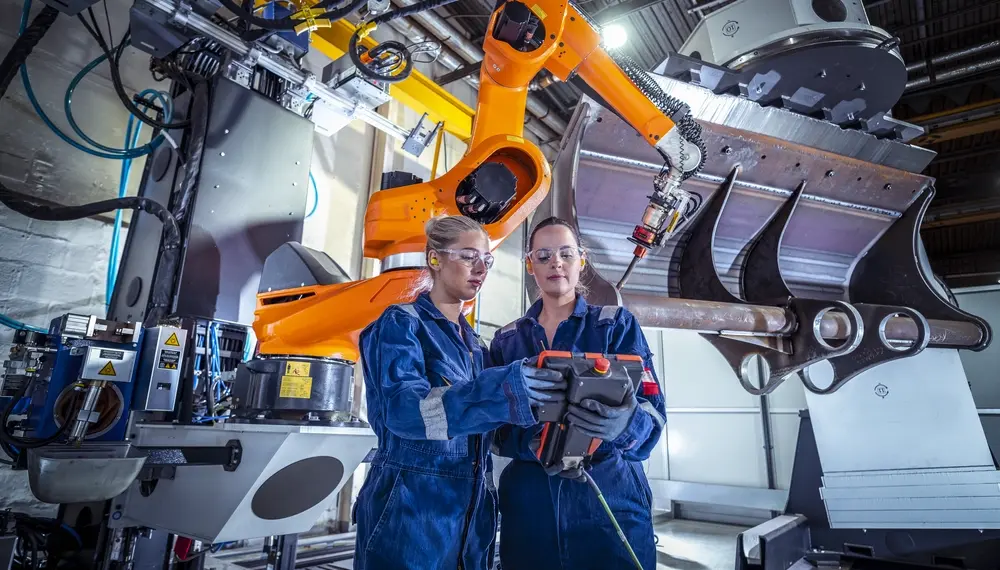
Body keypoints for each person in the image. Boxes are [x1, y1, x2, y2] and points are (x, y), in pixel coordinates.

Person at [352, 215, 567, 570]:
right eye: (468, 256)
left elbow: (484, 428)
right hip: (411, 510)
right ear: (434, 258)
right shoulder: (401, 324)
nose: (480, 268)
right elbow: (407, 414)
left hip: (471, 515)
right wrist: (505, 387)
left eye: (487, 259)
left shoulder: (476, 346)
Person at [489, 216, 667, 570]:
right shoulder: (507, 341)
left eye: (565, 254)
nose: (556, 263)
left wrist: (625, 425)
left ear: (581, 260)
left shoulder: (616, 325)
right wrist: (532, 445)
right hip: (531, 506)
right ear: (530, 265)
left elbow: (654, 411)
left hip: (608, 494)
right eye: (543, 256)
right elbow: (492, 430)